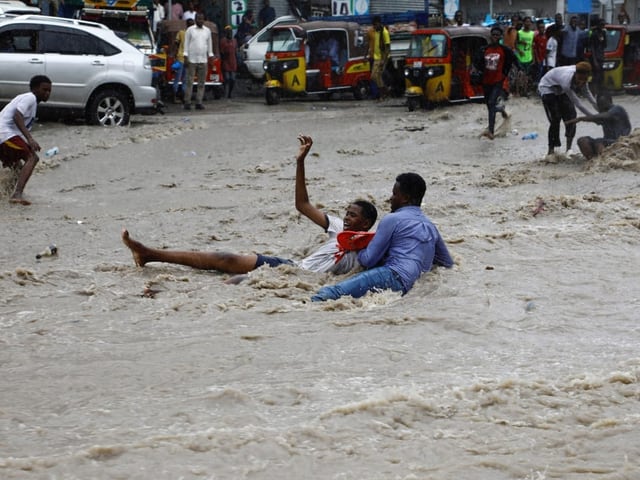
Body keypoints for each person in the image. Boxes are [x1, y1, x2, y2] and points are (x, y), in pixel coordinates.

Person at [122, 135, 378, 278]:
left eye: (352, 216)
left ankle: (149, 255)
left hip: (303, 281)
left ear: (366, 223)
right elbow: (302, 204)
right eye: (346, 213)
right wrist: (300, 163)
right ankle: (149, 254)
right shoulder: (335, 227)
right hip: (291, 267)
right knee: (226, 258)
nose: (345, 218)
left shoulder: (373, 246)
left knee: (234, 281)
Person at [311, 172, 453, 302]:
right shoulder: (431, 226)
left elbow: (368, 260)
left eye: (394, 194)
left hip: (391, 275)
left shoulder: (392, 219)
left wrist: (357, 245)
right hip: (411, 286)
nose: (390, 198)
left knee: (330, 293)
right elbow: (447, 263)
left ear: (405, 198)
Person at [0, 75, 52, 205]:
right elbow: (17, 115)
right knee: (33, 158)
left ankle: (5, 194)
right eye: (44, 90)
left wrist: (28, 141)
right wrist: (30, 139)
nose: (47, 93)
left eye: (49, 90)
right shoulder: (30, 98)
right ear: (35, 89)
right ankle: (17, 194)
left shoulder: (29, 101)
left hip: (5, 135)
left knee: (16, 167)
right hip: (4, 134)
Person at [538, 61, 598, 156]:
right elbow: (578, 103)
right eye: (579, 79)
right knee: (555, 118)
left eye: (583, 80)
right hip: (548, 87)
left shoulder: (584, 78)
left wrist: (601, 112)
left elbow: (588, 95)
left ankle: (568, 150)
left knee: (571, 116)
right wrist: (593, 117)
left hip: (560, 90)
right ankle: (551, 151)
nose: (580, 82)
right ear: (575, 74)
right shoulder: (566, 80)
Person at [474, 26, 515, 139]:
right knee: (489, 105)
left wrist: (519, 70)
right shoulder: (484, 49)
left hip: (498, 81)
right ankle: (501, 109)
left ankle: (491, 131)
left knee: (492, 102)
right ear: (490, 36)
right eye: (493, 35)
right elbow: (477, 62)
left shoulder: (504, 50)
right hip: (486, 81)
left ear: (500, 37)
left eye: (497, 35)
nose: (495, 37)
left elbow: (513, 59)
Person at [566, 92, 631, 159]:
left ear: (610, 101)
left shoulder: (618, 109)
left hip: (619, 142)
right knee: (582, 140)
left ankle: (603, 161)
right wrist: (578, 121)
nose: (601, 107)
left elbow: (604, 116)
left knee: (599, 142)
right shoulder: (602, 114)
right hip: (606, 142)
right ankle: (592, 161)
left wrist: (581, 118)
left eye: (604, 105)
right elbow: (595, 119)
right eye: (600, 105)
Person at [183, 13, 214, 111]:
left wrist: (211, 56)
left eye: (202, 19)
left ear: (204, 20)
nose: (200, 20)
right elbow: (186, 43)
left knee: (202, 82)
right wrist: (185, 56)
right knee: (189, 82)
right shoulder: (190, 30)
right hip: (191, 59)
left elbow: (209, 45)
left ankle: (198, 102)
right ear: (195, 19)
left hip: (203, 59)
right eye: (198, 19)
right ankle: (187, 102)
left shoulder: (207, 31)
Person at [367, 16, 391, 99]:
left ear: (379, 23)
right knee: (375, 76)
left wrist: (383, 61)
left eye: (375, 25)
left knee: (376, 75)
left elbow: (387, 48)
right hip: (376, 57)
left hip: (382, 58)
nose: (374, 27)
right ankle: (385, 91)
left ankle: (383, 93)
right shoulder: (377, 31)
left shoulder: (384, 32)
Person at [172, 18, 194, 104]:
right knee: (185, 80)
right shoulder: (193, 35)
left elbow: (176, 43)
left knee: (177, 79)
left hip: (181, 58)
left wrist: (176, 53)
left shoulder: (181, 32)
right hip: (188, 59)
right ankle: (185, 98)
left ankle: (176, 97)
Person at [588, 18, 607, 96]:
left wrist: (604, 37)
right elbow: (592, 48)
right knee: (595, 75)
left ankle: (600, 92)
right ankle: (593, 92)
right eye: (601, 24)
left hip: (601, 57)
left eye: (604, 24)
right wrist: (594, 60)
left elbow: (605, 45)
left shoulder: (603, 33)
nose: (603, 26)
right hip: (595, 58)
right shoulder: (594, 34)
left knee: (601, 76)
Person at [220, 25, 238, 98]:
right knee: (227, 78)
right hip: (226, 62)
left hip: (233, 62)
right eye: (228, 31)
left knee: (233, 79)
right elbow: (221, 51)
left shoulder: (234, 41)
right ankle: (225, 91)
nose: (229, 33)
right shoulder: (223, 41)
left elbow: (236, 51)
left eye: (230, 31)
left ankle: (230, 93)